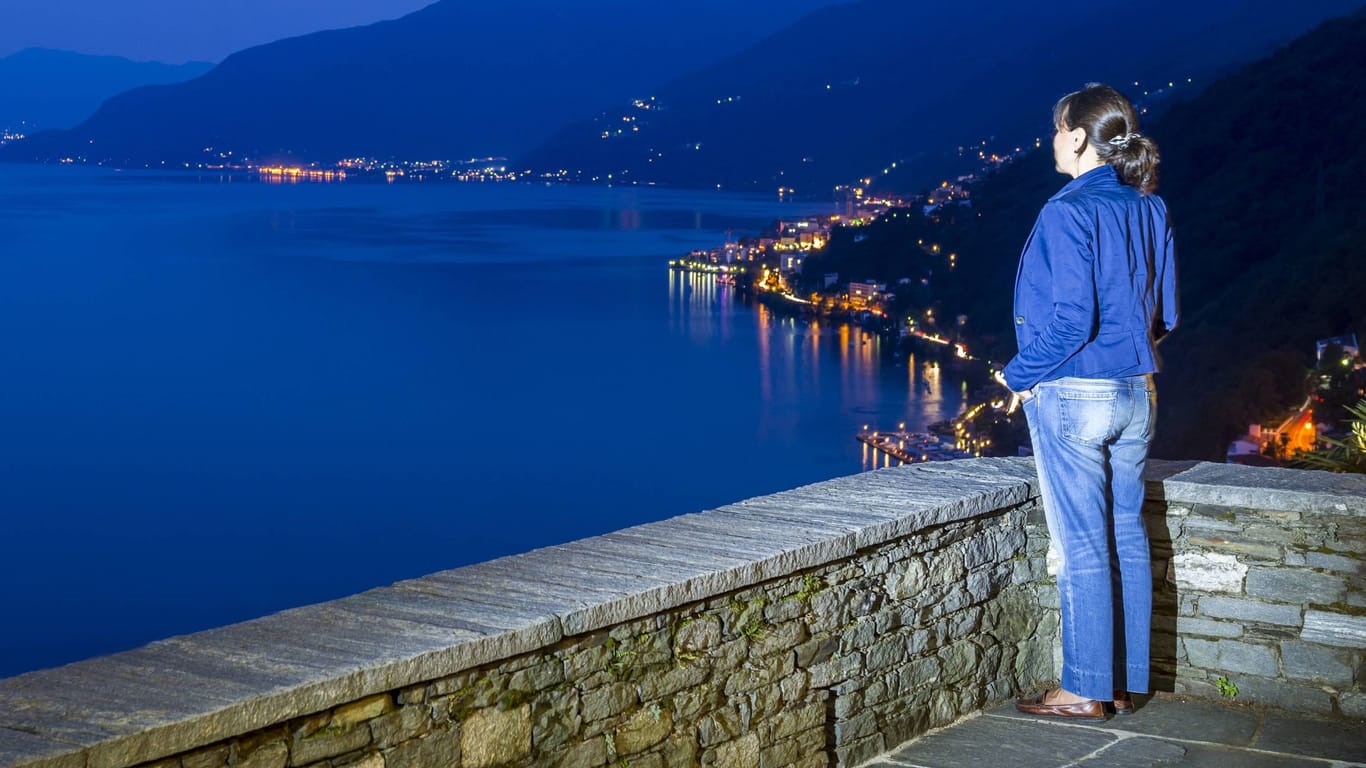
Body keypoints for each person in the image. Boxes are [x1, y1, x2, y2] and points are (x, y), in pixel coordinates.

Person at [1002, 83, 1178, 720]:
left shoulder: (1066, 211)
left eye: (1056, 129)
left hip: (1077, 392)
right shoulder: (1148, 208)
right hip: (1138, 390)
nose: (1051, 141)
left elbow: (1072, 320)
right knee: (1126, 535)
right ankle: (1124, 681)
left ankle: (1084, 688)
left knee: (1083, 544)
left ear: (1077, 136)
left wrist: (1019, 372)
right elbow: (1166, 314)